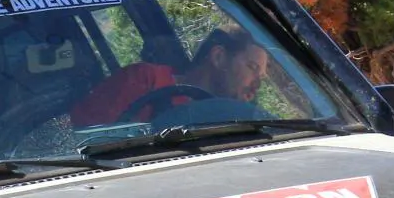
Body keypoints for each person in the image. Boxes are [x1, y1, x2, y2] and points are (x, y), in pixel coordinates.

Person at [69, 25, 270, 127]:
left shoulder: (240, 121)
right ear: (218, 57)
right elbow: (86, 140)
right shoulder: (146, 80)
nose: (257, 84)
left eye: (261, 76)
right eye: (252, 68)